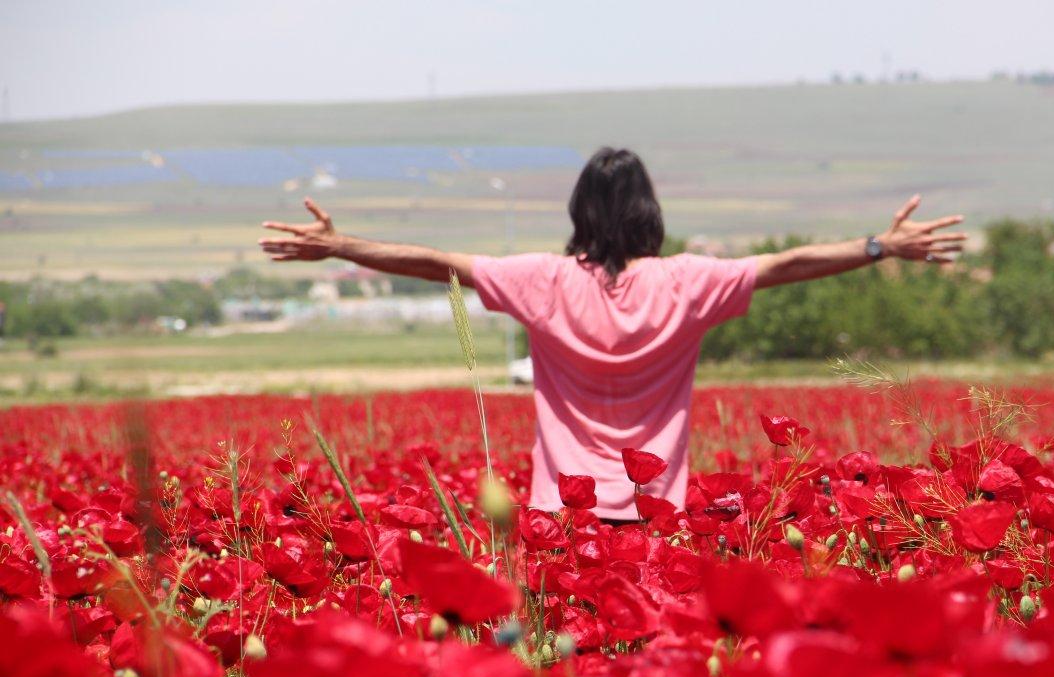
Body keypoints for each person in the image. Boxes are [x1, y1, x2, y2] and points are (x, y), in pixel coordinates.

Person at [258, 147, 964, 522]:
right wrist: (878, 246)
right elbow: (786, 265)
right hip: (660, 516)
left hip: (557, 516)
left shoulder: (546, 282)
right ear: (649, 211)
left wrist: (341, 244)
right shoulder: (686, 284)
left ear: (579, 212)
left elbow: (437, 263)